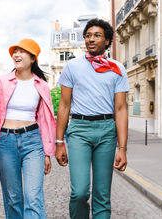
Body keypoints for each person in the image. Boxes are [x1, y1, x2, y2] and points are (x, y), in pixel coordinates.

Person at [55, 18, 129, 219]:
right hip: (79, 129)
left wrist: (122, 148)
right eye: (88, 35)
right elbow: (64, 105)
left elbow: (121, 109)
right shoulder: (72, 67)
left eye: (97, 35)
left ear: (107, 41)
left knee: (102, 194)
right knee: (79, 192)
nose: (91, 39)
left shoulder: (117, 69)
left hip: (107, 130)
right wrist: (59, 142)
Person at [0, 38, 56, 219]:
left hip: (33, 141)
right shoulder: (1, 82)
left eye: (22, 51)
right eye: (15, 51)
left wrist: (48, 153)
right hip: (6, 142)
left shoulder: (42, 86)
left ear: (33, 58)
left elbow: (46, 121)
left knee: (33, 196)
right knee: (13, 197)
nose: (16, 54)